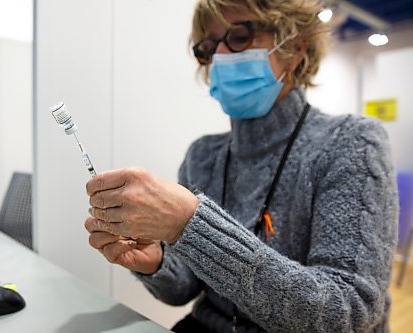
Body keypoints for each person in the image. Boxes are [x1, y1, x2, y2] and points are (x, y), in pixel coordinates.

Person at [84, 0, 398, 332]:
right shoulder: (202, 156)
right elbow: (185, 288)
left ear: (294, 47)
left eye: (239, 36)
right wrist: (155, 263)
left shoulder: (350, 143)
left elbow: (349, 312)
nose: (220, 55)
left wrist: (190, 223)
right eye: (208, 46)